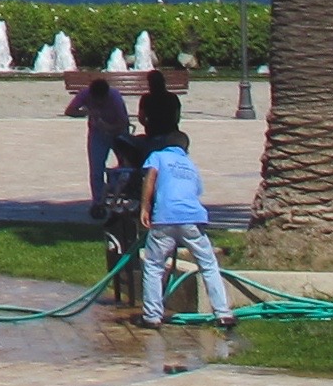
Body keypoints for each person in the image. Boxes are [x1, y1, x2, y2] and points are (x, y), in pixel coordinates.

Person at [138, 137, 234, 333]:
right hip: (192, 219)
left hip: (164, 218)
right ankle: (223, 313)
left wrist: (144, 207)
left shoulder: (158, 156)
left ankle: (152, 316)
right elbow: (195, 192)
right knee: (208, 265)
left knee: (154, 266)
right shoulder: (190, 165)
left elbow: (150, 178)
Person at [68, 74, 133, 215]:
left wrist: (109, 128)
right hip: (97, 135)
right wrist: (86, 112)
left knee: (126, 166)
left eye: (101, 100)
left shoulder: (114, 97)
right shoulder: (85, 94)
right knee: (96, 168)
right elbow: (70, 110)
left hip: (118, 133)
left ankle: (126, 193)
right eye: (95, 99)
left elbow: (123, 122)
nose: (98, 102)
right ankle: (98, 201)